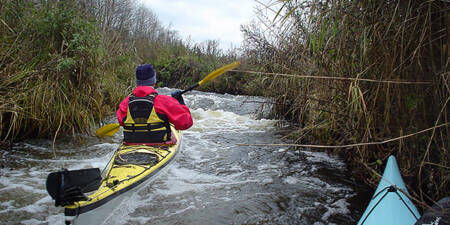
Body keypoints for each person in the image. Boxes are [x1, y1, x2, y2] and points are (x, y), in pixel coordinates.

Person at [116, 64, 193, 145]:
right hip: (161, 143)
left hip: (130, 143)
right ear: (154, 81)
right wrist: (181, 104)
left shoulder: (125, 103)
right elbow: (185, 123)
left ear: (137, 81)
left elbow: (121, 122)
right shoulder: (165, 101)